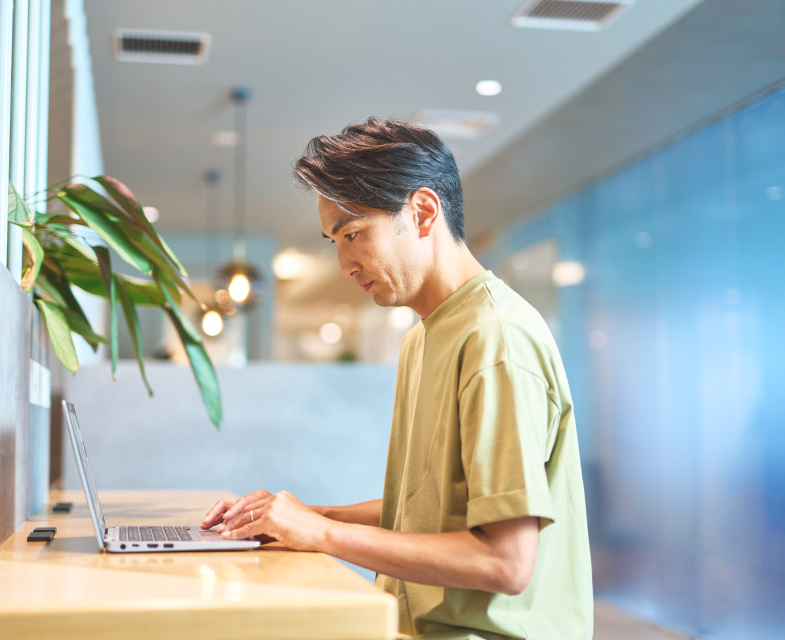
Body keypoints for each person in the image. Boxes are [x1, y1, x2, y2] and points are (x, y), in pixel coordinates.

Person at [202, 118, 593, 639]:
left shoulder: (496, 338)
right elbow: (431, 507)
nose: (344, 262)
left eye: (354, 233)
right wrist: (304, 516)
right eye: (334, 241)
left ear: (423, 211)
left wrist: (320, 533)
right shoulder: (424, 335)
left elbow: (506, 562)